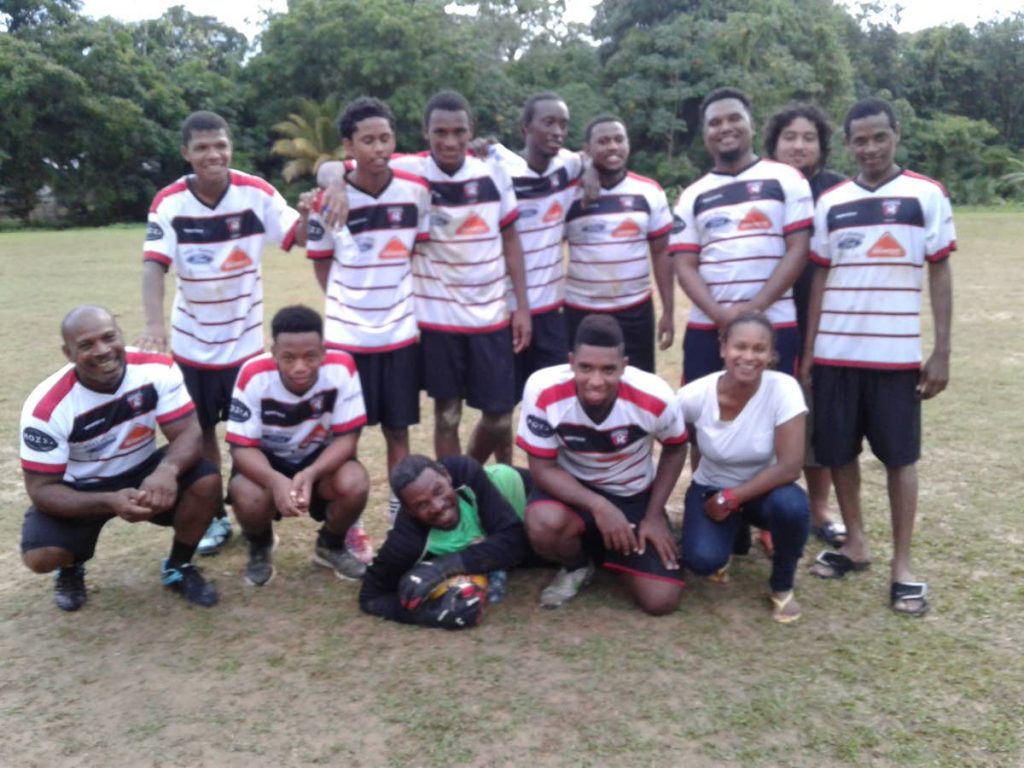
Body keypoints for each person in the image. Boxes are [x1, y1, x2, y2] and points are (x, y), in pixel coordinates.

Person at [800, 97, 955, 617]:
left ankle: (902, 567)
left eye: (879, 137)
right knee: (839, 452)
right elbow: (820, 274)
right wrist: (809, 353)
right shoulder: (833, 202)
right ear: (847, 144)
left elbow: (938, 272)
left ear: (896, 135)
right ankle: (857, 544)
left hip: (895, 360)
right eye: (860, 140)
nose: (870, 148)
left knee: (899, 459)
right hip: (835, 354)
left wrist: (942, 351)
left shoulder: (926, 196)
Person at [138, 110, 309, 556]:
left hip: (247, 345)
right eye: (202, 147)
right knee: (200, 434)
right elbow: (154, 266)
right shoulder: (170, 201)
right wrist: (154, 326)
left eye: (220, 145)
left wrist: (317, 210)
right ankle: (213, 516)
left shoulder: (256, 193)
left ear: (230, 147)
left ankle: (255, 510)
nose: (213, 154)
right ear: (186, 153)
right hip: (193, 344)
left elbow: (301, 235)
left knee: (250, 434)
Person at [19, 306, 220, 611]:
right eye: (86, 345)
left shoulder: (156, 368)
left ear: (120, 335)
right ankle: (71, 568)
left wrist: (167, 469)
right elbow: (42, 489)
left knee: (206, 481)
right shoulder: (46, 408)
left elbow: (189, 433)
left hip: (142, 469)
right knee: (41, 556)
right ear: (68, 353)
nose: (102, 351)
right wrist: (109, 501)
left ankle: (178, 566)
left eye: (108, 337)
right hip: (82, 488)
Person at [306, 96, 431, 537]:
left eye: (385, 138)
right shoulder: (328, 199)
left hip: (398, 335)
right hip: (345, 341)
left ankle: (401, 519)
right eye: (368, 140)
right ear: (349, 146)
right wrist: (347, 301)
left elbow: (417, 250)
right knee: (346, 438)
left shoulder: (415, 191)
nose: (378, 148)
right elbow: (321, 262)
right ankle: (349, 528)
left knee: (399, 433)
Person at [516, 314, 688, 615]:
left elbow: (675, 448)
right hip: (573, 489)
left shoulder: (655, 396)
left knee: (661, 600)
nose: (596, 381)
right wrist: (601, 507)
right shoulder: (542, 389)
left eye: (609, 369)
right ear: (571, 362)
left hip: (633, 494)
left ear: (624, 365)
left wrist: (653, 516)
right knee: (543, 523)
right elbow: (542, 469)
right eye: (585, 368)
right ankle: (577, 564)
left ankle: (614, 548)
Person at [670, 88, 813, 385]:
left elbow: (798, 250)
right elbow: (684, 266)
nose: (725, 128)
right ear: (705, 132)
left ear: (752, 124)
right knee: (704, 419)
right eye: (714, 122)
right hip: (707, 327)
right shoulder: (692, 195)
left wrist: (754, 310)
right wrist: (720, 316)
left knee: (772, 418)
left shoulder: (787, 178)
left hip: (775, 324)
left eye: (734, 118)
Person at [676, 312, 810, 623]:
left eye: (759, 349)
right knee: (702, 561)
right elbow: (658, 421)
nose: (748, 357)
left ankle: (782, 585)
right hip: (711, 489)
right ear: (723, 348)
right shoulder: (696, 394)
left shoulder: (783, 389)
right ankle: (734, 536)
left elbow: (790, 467)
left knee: (792, 507)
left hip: (765, 492)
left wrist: (731, 498)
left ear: (772, 355)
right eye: (740, 347)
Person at [225, 305, 370, 586]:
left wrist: (312, 473)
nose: (300, 367)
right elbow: (241, 448)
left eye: (310, 356)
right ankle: (260, 545)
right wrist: (275, 480)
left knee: (355, 481)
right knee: (245, 492)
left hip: (319, 458)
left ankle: (331, 545)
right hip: (269, 460)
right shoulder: (253, 373)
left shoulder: (342, 367)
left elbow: (347, 438)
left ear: (324, 352)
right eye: (288, 357)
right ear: (274, 351)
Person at [764, 102, 847, 549]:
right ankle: (758, 511)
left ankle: (819, 510)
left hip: (824, 323)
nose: (798, 145)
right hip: (770, 321)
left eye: (808, 138)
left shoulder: (836, 190)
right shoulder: (760, 187)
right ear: (774, 143)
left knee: (815, 419)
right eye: (789, 137)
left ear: (822, 145)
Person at [359, 454, 530, 628]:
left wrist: (440, 568)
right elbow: (371, 596)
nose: (438, 506)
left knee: (542, 535)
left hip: (527, 494)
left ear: (447, 475)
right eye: (422, 505)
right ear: (409, 511)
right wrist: (432, 614)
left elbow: (516, 542)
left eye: (439, 491)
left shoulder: (464, 472)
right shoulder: (406, 541)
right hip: (516, 539)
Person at [487, 92, 585, 398]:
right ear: (525, 128)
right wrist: (334, 169)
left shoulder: (567, 165)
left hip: (550, 312)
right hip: (502, 310)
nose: (557, 131)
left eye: (563, 124)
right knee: (500, 410)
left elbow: (590, 155)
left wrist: (591, 170)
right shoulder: (497, 169)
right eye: (548, 122)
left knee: (557, 398)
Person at [563, 115, 675, 374]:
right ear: (588, 150)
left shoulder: (649, 191)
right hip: (581, 311)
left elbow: (662, 255)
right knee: (584, 385)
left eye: (619, 139)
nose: (613, 146)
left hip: (634, 311)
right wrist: (585, 168)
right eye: (603, 141)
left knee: (637, 384)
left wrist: (668, 311)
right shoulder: (570, 195)